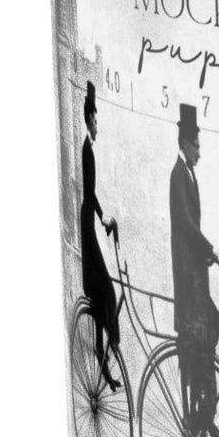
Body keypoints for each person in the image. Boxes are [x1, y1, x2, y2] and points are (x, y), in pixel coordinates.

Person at [168, 103, 219, 437]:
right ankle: (199, 417)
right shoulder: (178, 175)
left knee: (212, 327)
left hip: (195, 273)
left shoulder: (188, 174)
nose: (200, 151)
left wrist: (210, 256)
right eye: (196, 145)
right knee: (199, 341)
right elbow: (185, 224)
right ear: (185, 143)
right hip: (188, 278)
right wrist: (211, 252)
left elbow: (190, 227)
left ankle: (204, 415)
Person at [78, 82, 121, 388]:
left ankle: (100, 349)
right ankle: (107, 349)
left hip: (86, 220)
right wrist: (103, 216)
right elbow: (90, 191)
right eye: (95, 121)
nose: (97, 126)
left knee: (100, 291)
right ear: (89, 120)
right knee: (105, 289)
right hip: (87, 219)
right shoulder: (86, 150)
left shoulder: (88, 148)